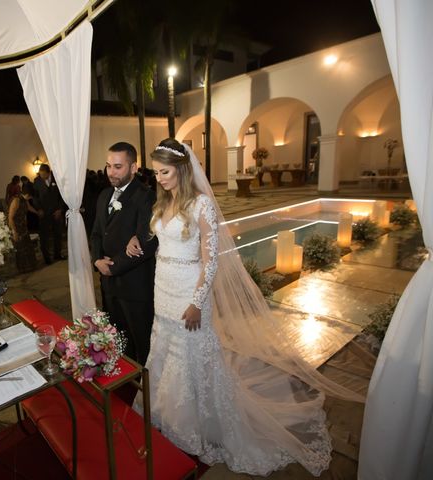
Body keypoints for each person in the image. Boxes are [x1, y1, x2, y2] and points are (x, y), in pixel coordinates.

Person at [128, 138, 364, 476]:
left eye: (164, 172)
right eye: (155, 172)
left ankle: (196, 426)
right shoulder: (162, 201)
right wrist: (138, 239)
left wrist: (197, 303)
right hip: (162, 289)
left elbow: (210, 262)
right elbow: (162, 238)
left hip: (189, 293)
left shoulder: (202, 205)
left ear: (181, 169)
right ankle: (166, 413)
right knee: (164, 352)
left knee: (193, 359)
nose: (159, 178)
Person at [90, 142, 157, 365]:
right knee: (118, 344)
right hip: (109, 287)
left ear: (134, 167)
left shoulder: (146, 196)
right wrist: (96, 260)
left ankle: (146, 394)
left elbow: (146, 243)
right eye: (109, 166)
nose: (111, 172)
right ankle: (125, 389)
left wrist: (112, 267)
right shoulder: (103, 195)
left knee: (143, 347)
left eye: (118, 166)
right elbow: (97, 233)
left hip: (135, 288)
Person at [33, 164, 65, 264]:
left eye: (43, 175)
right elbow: (35, 198)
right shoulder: (37, 181)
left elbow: (63, 195)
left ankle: (57, 254)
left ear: (48, 172)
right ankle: (47, 258)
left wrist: (60, 209)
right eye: (40, 175)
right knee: (44, 236)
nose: (42, 177)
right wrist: (39, 209)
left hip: (56, 212)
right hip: (44, 213)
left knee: (58, 234)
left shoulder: (57, 179)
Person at [8, 182, 38, 273]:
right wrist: (14, 232)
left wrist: (37, 212)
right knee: (21, 249)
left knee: (27, 247)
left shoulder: (24, 199)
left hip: (23, 226)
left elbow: (29, 208)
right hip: (16, 227)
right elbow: (10, 218)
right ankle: (23, 269)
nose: (31, 198)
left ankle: (30, 266)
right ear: (28, 195)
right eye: (31, 197)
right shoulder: (16, 200)